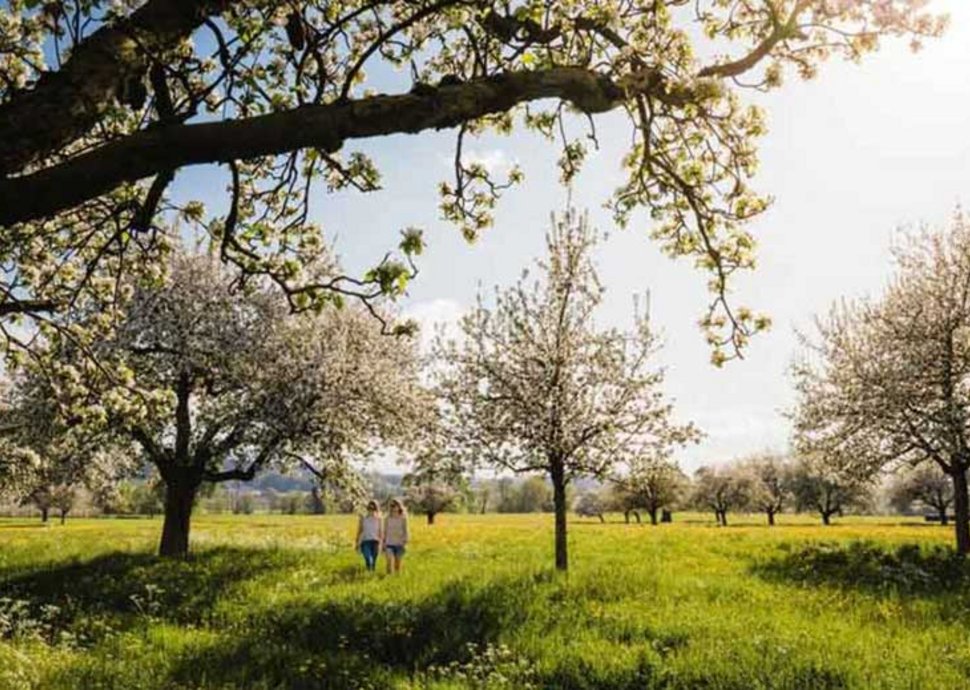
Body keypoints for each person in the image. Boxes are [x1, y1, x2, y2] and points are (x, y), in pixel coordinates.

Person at [383, 497, 409, 574]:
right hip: (389, 543)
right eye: (392, 505)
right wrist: (383, 543)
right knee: (389, 561)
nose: (393, 507)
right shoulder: (387, 518)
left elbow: (405, 530)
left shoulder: (403, 518)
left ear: (399, 506)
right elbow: (385, 531)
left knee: (397, 563)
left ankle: (396, 577)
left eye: (395, 505)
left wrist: (405, 541)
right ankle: (388, 577)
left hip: (399, 543)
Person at [355, 500, 383, 572]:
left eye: (373, 508)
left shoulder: (379, 519)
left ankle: (371, 573)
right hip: (365, 541)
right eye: (370, 508)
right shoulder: (363, 518)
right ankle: (368, 570)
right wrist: (357, 542)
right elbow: (360, 530)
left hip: (375, 541)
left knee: (373, 561)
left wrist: (382, 543)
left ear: (376, 509)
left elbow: (381, 531)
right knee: (368, 558)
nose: (371, 510)